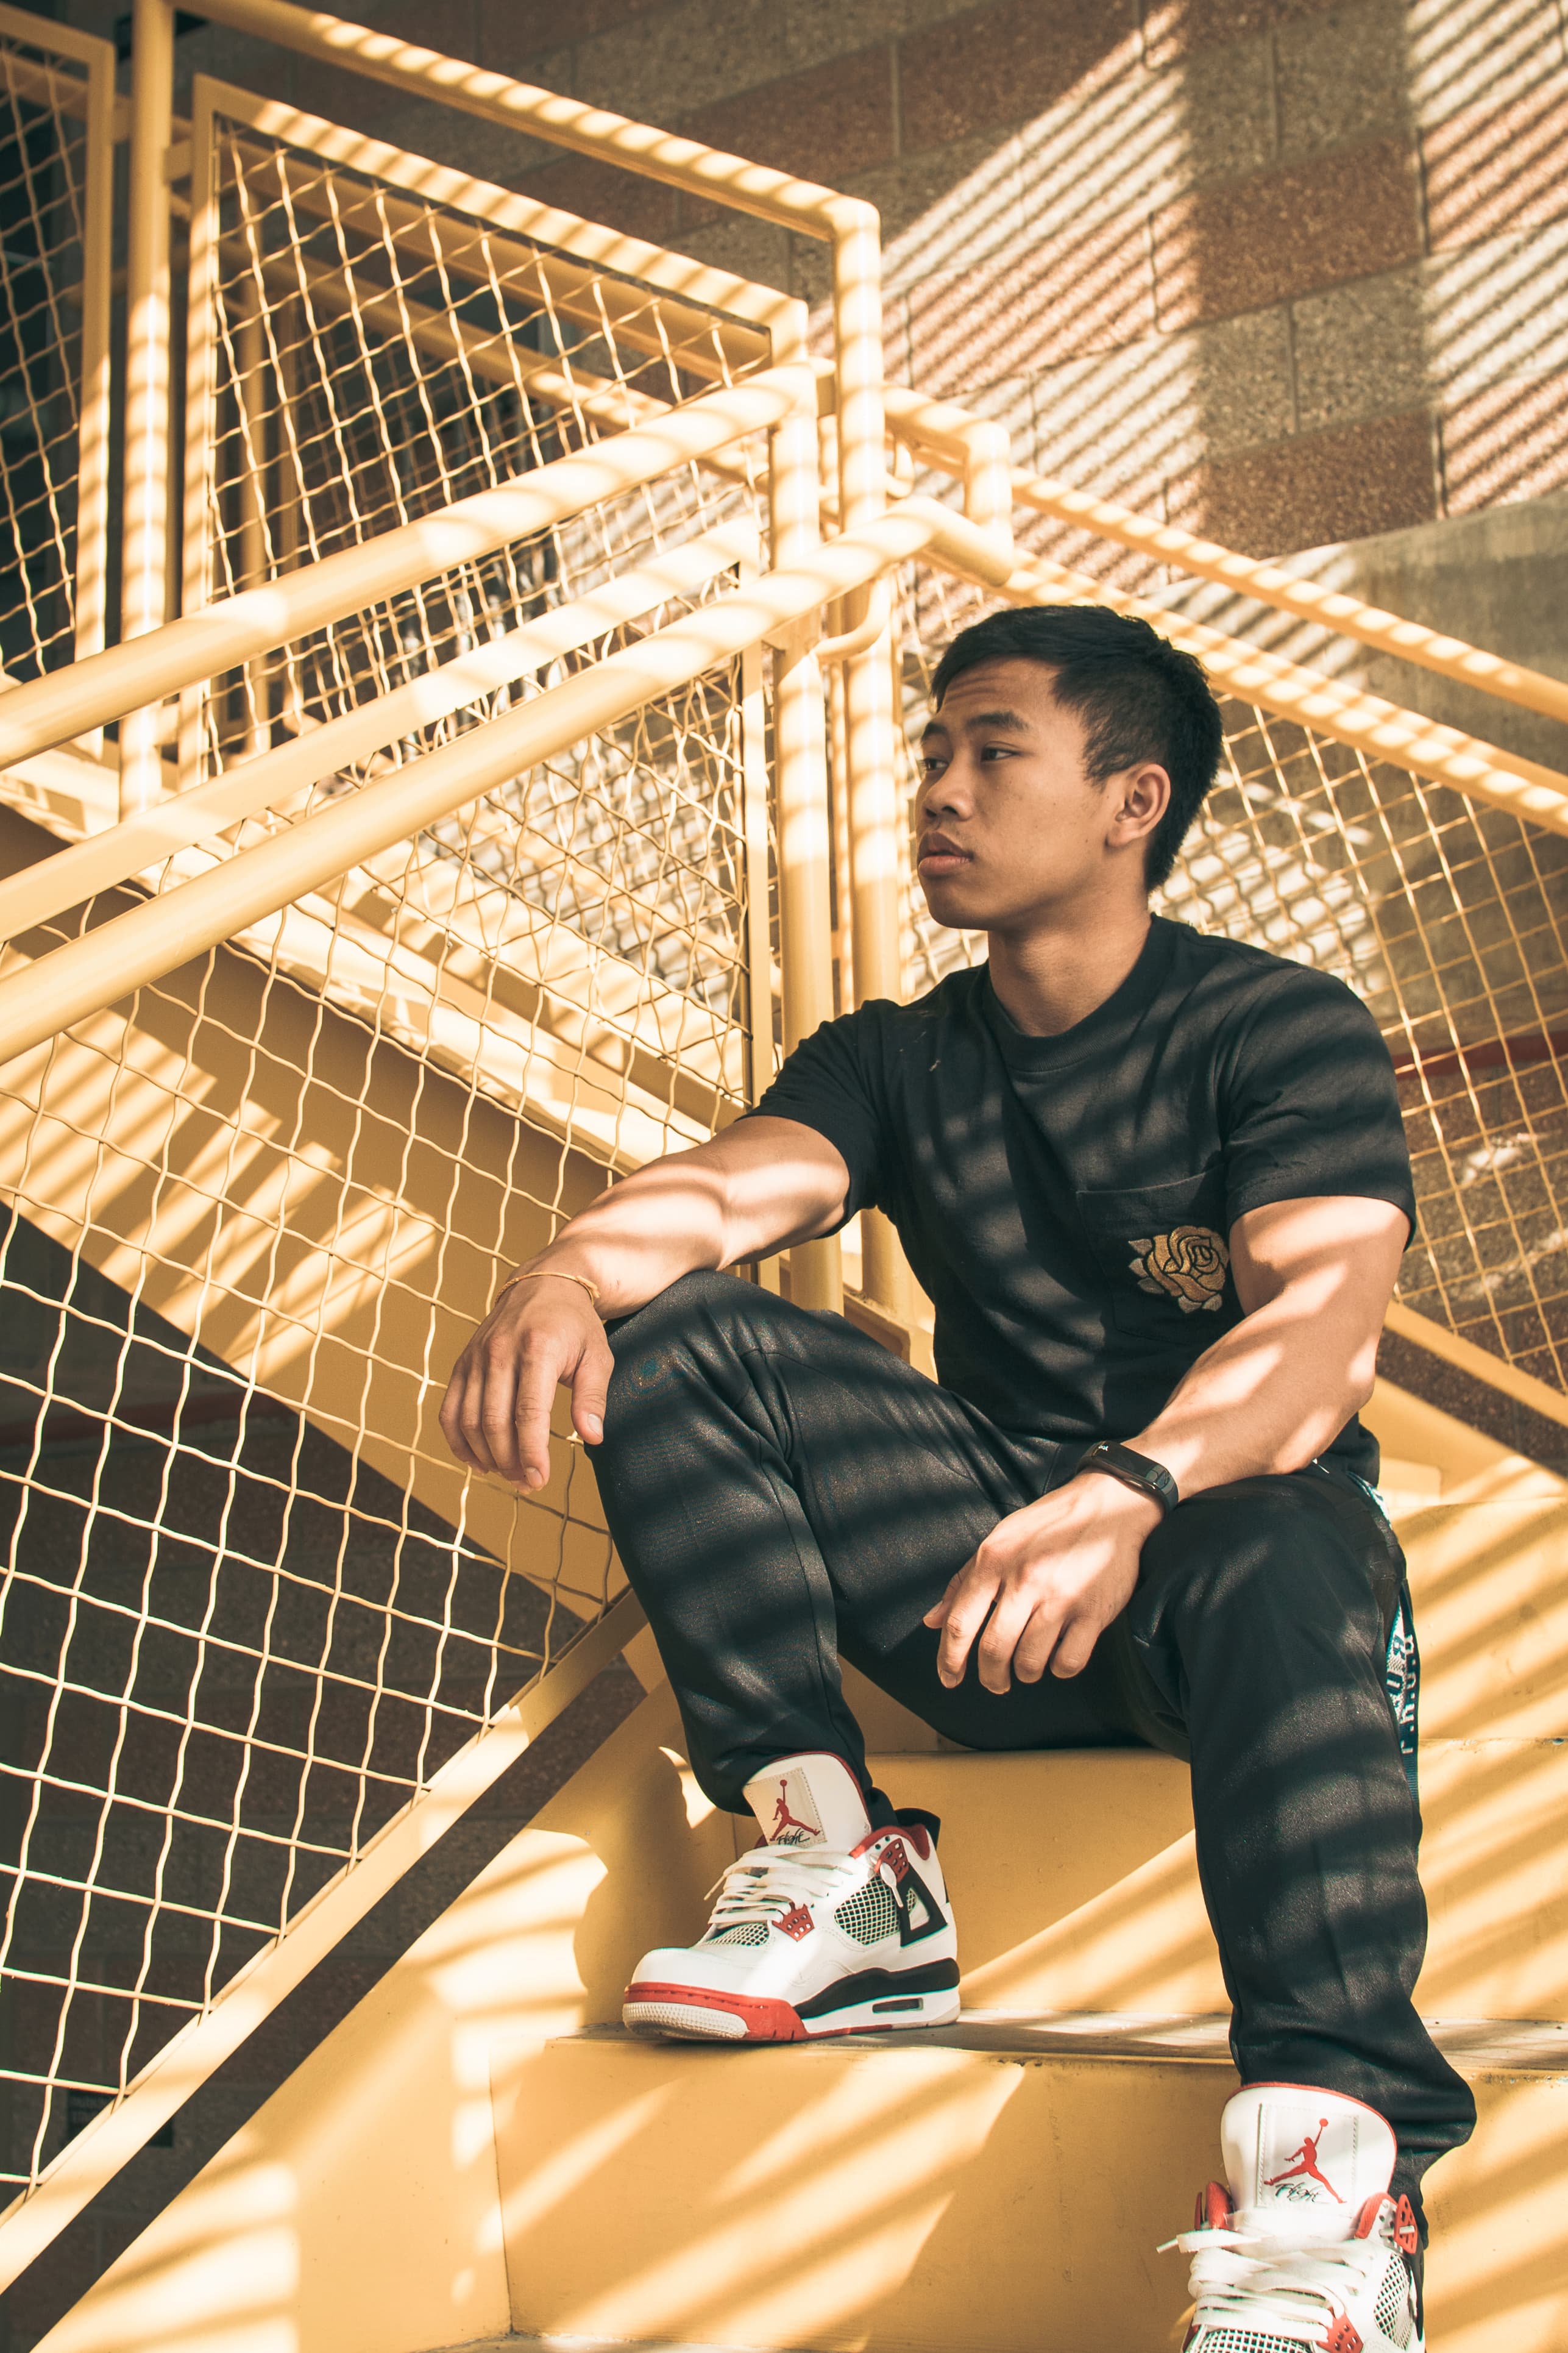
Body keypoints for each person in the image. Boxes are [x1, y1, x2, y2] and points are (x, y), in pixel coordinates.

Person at [441, 604, 1475, 2352]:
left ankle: (1333, 2184)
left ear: (1134, 800)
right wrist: (562, 1275)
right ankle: (842, 1865)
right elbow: (731, 1186)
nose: (940, 789)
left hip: (1220, 1592)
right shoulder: (898, 1053)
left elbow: (1322, 1332)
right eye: (934, 753)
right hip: (996, 1598)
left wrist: (1129, 1489)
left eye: (995, 751)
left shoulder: (1273, 1026)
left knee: (1293, 1535)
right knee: (674, 1326)